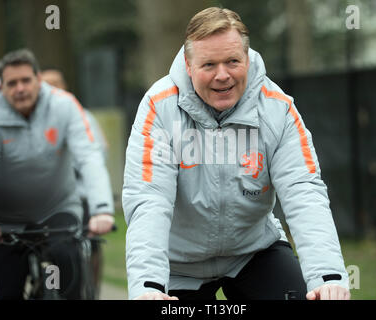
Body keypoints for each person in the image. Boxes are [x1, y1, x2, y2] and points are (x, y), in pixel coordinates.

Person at [122, 7, 350, 300]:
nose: (222, 75)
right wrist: (148, 286)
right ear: (188, 66)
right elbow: (149, 198)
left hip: (252, 252)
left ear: (247, 58)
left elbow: (303, 191)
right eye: (208, 65)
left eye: (232, 61)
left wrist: (327, 276)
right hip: (177, 264)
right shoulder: (159, 107)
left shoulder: (277, 108)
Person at [0, 49, 115, 299]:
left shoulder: (63, 106)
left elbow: (89, 156)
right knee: (7, 285)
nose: (20, 88)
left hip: (58, 207)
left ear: (38, 80)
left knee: (69, 263)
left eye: (26, 80)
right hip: (9, 214)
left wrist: (102, 209)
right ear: (2, 86)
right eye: (12, 83)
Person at [40, 68, 110, 296]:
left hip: (81, 195)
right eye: (46, 85)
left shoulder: (83, 116)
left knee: (93, 239)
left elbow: (100, 152)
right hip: (47, 199)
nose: (52, 90)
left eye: (55, 84)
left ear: (65, 87)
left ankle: (92, 288)